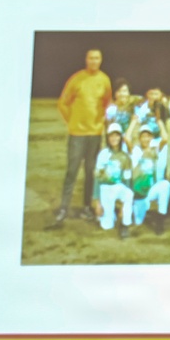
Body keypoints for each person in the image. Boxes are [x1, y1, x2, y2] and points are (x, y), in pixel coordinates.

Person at [49, 47, 112, 227]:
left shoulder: (104, 80)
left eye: (97, 58)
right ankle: (63, 208)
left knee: (91, 172)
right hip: (77, 134)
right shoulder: (76, 79)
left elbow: (107, 103)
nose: (94, 61)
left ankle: (86, 207)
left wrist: (101, 122)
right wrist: (72, 121)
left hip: (95, 134)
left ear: (101, 60)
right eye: (91, 58)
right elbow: (63, 103)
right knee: (72, 171)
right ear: (86, 60)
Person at [92, 122, 133, 238]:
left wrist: (125, 206)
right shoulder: (103, 154)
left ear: (121, 137)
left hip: (118, 186)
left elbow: (127, 180)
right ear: (107, 137)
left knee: (129, 194)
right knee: (107, 225)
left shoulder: (125, 156)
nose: (114, 138)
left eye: (117, 135)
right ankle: (110, 213)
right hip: (105, 188)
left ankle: (125, 224)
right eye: (111, 136)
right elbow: (97, 179)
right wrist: (97, 202)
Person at [130, 126, 170, 232]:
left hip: (151, 191)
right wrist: (133, 122)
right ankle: (142, 212)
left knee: (165, 185)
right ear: (139, 138)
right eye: (143, 136)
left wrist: (159, 121)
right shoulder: (136, 151)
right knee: (138, 221)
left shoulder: (154, 150)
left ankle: (160, 220)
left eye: (148, 136)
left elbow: (165, 139)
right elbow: (126, 138)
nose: (146, 139)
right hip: (139, 193)